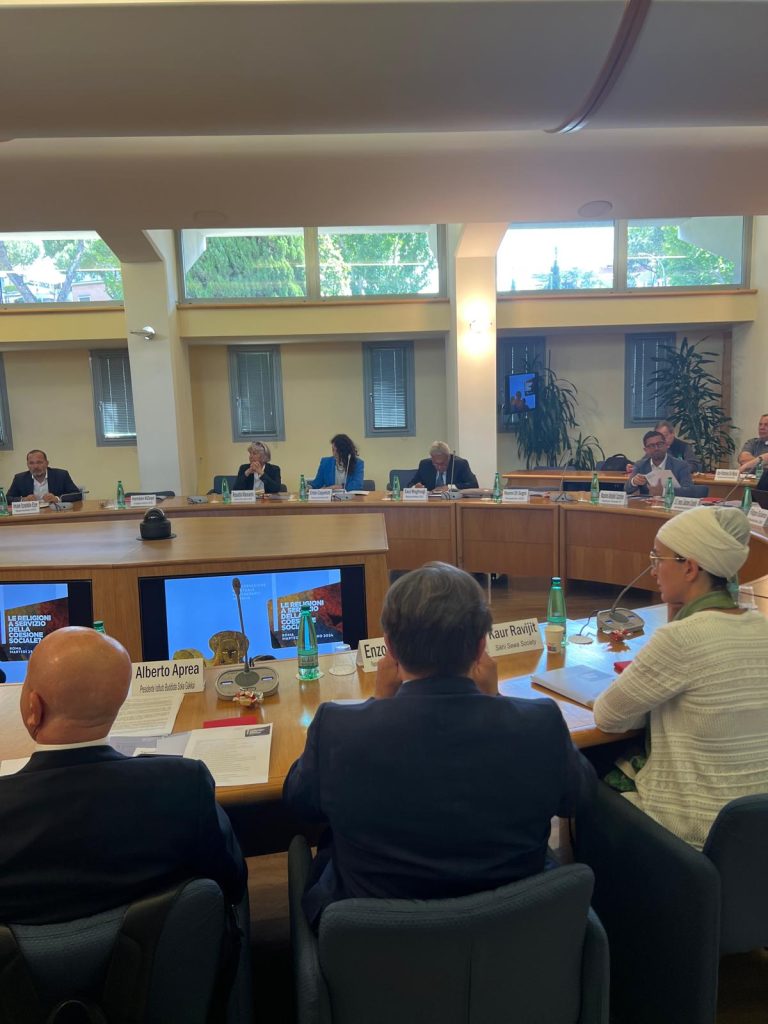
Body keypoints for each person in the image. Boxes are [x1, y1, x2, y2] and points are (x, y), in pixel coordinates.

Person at [283, 562, 595, 928]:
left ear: (389, 648)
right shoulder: (540, 723)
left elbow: (300, 804)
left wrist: (380, 705)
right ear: (481, 647)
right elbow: (579, 797)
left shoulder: (338, 729)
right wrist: (495, 701)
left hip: (375, 946)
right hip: (514, 941)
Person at [0, 627, 246, 924]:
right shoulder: (184, 785)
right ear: (120, 702)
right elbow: (231, 883)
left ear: (33, 707)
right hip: (166, 952)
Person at [593, 506, 768, 849]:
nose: (653, 570)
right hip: (754, 836)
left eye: (657, 558)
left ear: (689, 567)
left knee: (586, 768)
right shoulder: (761, 626)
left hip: (692, 835)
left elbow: (607, 716)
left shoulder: (682, 638)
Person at [625, 429, 693, 495]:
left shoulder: (681, 465)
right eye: (651, 446)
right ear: (646, 450)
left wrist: (664, 492)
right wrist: (634, 482)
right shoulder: (640, 465)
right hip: (648, 502)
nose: (656, 448)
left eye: (659, 444)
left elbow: (689, 491)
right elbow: (627, 489)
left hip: (671, 502)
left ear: (666, 445)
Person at [6, 449, 81, 504]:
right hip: (31, 515)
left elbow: (77, 494)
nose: (35, 466)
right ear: (27, 465)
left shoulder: (61, 475)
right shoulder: (20, 479)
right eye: (31, 463)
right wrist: (23, 500)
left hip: (55, 513)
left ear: (47, 463)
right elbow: (7, 499)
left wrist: (57, 498)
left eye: (39, 462)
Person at [407, 441, 479, 491]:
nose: (439, 467)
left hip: (452, 502)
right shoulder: (425, 465)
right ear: (432, 458)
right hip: (431, 503)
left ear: (449, 457)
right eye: (436, 464)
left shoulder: (460, 464)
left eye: (443, 464)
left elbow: (474, 484)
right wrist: (415, 487)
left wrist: (450, 487)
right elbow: (410, 485)